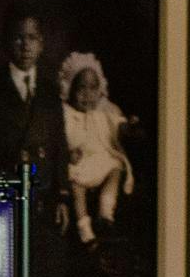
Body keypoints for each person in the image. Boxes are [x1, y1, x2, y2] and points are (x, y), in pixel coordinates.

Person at [0, 2, 70, 227]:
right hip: (5, 202)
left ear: (41, 44)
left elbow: (59, 148)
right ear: (6, 43)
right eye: (18, 38)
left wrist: (62, 197)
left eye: (32, 38)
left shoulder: (50, 93)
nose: (26, 46)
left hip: (44, 203)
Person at [57, 52, 134, 245]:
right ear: (69, 88)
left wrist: (128, 127)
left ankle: (105, 213)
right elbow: (58, 140)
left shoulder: (104, 109)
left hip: (101, 159)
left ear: (100, 89)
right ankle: (85, 230)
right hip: (79, 163)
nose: (87, 94)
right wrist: (69, 153)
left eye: (93, 88)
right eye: (81, 88)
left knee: (115, 169)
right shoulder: (65, 113)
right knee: (76, 186)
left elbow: (118, 122)